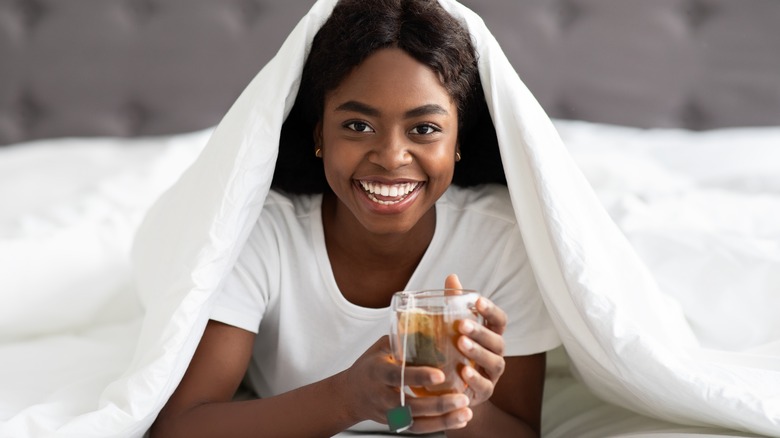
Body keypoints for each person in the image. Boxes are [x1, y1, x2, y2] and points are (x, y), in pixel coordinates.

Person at [150, 0, 560, 436]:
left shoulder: (503, 239)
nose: (390, 158)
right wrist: (348, 397)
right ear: (319, 135)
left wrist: (462, 399)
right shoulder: (261, 234)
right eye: (358, 126)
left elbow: (514, 431)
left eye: (424, 129)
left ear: (459, 140)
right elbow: (178, 427)